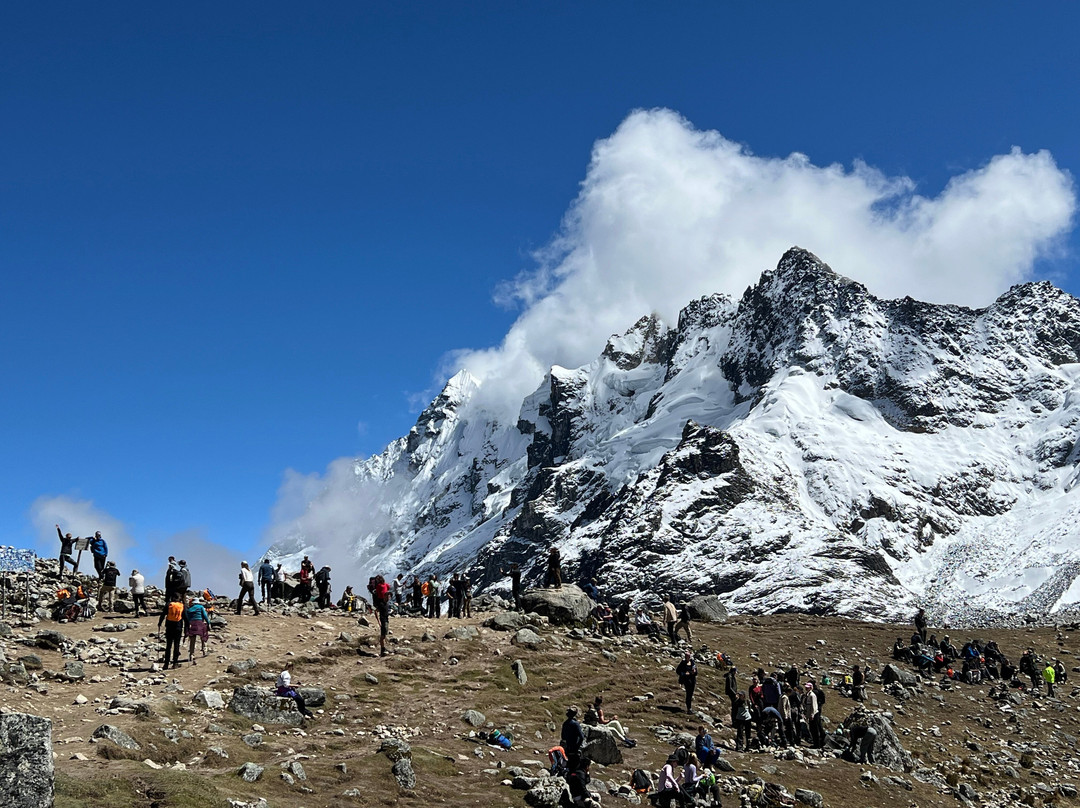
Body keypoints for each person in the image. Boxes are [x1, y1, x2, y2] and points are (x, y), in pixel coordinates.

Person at [157, 593, 187, 669]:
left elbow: (163, 614)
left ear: (172, 598)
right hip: (178, 627)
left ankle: (166, 664)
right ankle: (175, 663)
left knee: (168, 645)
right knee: (176, 645)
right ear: (179, 598)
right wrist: (186, 629)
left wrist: (160, 623)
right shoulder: (182, 606)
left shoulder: (168, 605)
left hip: (169, 627)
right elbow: (186, 618)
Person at [368, 574, 391, 656]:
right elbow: (388, 587)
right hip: (384, 619)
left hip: (384, 618)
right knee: (383, 634)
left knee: (384, 634)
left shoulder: (382, 601)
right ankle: (382, 649)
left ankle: (383, 648)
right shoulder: (383, 602)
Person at [184, 596, 210, 663]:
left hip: (192, 624)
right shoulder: (200, 607)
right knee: (204, 636)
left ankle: (191, 654)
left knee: (192, 640)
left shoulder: (189, 609)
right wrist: (208, 622)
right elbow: (205, 615)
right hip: (200, 623)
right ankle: (204, 650)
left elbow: (187, 618)